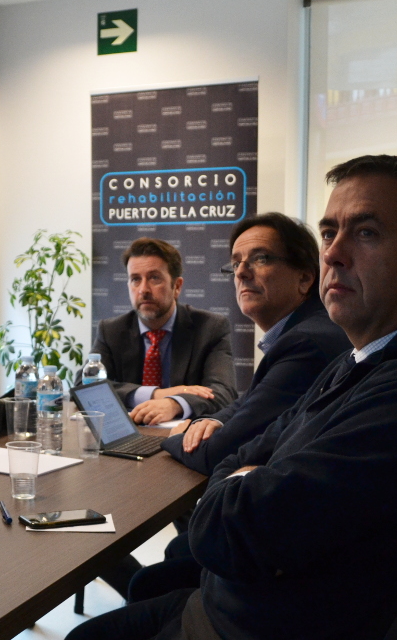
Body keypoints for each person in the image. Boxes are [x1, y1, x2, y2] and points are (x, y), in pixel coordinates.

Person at [0, 155, 397, 640]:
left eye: (366, 233)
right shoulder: (363, 360)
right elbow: (249, 452)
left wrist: (239, 473)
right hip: (249, 629)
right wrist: (243, 471)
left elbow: (231, 525)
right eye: (329, 232)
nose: (335, 253)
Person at [131, 214, 350, 601]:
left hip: (283, 558)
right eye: (235, 263)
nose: (242, 272)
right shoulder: (305, 331)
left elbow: (219, 437)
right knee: (172, 557)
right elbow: (248, 404)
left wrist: (179, 432)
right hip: (282, 529)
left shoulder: (307, 342)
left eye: (260, 258)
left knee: (157, 574)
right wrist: (213, 421)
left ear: (305, 278)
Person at [90, 238, 236, 426]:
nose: (143, 290)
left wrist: (174, 403)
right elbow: (87, 386)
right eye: (135, 279)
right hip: (129, 433)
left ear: (177, 286)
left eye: (154, 278)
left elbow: (224, 392)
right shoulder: (111, 331)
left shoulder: (210, 327)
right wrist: (156, 394)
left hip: (184, 436)